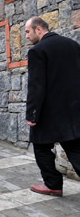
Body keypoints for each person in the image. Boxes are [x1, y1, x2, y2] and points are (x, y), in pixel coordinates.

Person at [25, 16, 80, 197]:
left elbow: (36, 86)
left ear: (39, 29)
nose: (26, 36)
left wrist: (32, 114)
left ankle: (53, 185)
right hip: (74, 110)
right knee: (74, 147)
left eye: (27, 31)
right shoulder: (73, 45)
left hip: (49, 114)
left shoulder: (37, 51)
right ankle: (53, 184)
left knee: (40, 146)